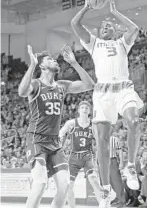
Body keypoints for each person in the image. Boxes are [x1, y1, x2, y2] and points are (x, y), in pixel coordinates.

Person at [71, 0, 143, 208]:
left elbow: (135, 29)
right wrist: (85, 7)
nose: (105, 27)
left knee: (134, 122)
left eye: (109, 25)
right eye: (102, 26)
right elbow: (75, 24)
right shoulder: (93, 44)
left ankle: (130, 166)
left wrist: (114, 12)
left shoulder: (123, 42)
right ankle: (105, 191)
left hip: (123, 89)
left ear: (114, 30)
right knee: (102, 142)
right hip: (102, 94)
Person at [18, 45, 94, 208]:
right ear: (43, 66)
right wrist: (32, 65)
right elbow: (22, 91)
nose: (55, 60)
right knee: (40, 184)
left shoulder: (62, 85)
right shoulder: (36, 84)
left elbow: (89, 84)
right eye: (50, 59)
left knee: (65, 185)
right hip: (37, 139)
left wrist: (74, 63)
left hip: (54, 143)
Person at [59, 101, 101, 208]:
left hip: (87, 155)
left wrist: (97, 158)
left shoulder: (93, 124)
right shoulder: (71, 123)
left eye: (86, 107)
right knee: (69, 185)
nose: (84, 109)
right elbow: (61, 133)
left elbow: (99, 142)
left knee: (94, 181)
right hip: (74, 156)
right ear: (78, 110)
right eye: (82, 107)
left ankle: (103, 204)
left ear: (89, 111)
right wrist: (61, 140)